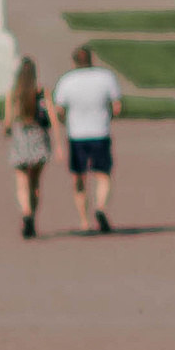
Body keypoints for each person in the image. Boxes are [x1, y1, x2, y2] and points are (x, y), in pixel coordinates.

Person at [51, 42, 125, 235]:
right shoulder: (105, 77)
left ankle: (84, 221)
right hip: (100, 132)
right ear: (91, 59)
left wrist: (66, 119)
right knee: (103, 175)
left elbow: (59, 110)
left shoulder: (67, 81)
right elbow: (117, 107)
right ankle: (100, 207)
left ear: (74, 62)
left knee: (79, 178)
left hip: (77, 135)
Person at [3, 57, 53, 240]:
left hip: (21, 137)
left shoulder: (13, 93)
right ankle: (33, 216)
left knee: (22, 182)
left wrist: (7, 130)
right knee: (35, 184)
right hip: (38, 138)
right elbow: (51, 117)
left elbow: (7, 123)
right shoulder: (40, 91)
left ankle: (26, 212)